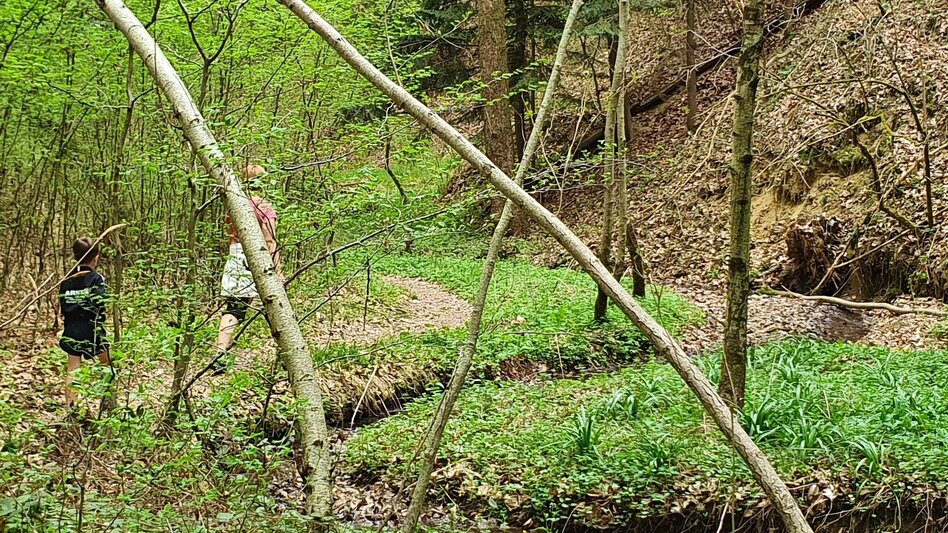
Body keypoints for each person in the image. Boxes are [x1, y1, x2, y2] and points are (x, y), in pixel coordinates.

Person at [211, 164, 280, 375]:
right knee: (275, 305)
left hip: (235, 254)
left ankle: (219, 353)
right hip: (257, 255)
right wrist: (276, 267)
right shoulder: (264, 208)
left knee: (234, 308)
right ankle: (285, 355)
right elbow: (269, 240)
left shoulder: (235, 205)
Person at [59, 237, 112, 409]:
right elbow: (100, 303)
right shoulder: (97, 279)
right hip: (92, 328)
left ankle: (71, 408)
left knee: (73, 368)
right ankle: (109, 401)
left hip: (72, 329)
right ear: (96, 258)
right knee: (108, 363)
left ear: (75, 256)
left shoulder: (66, 279)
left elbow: (64, 305)